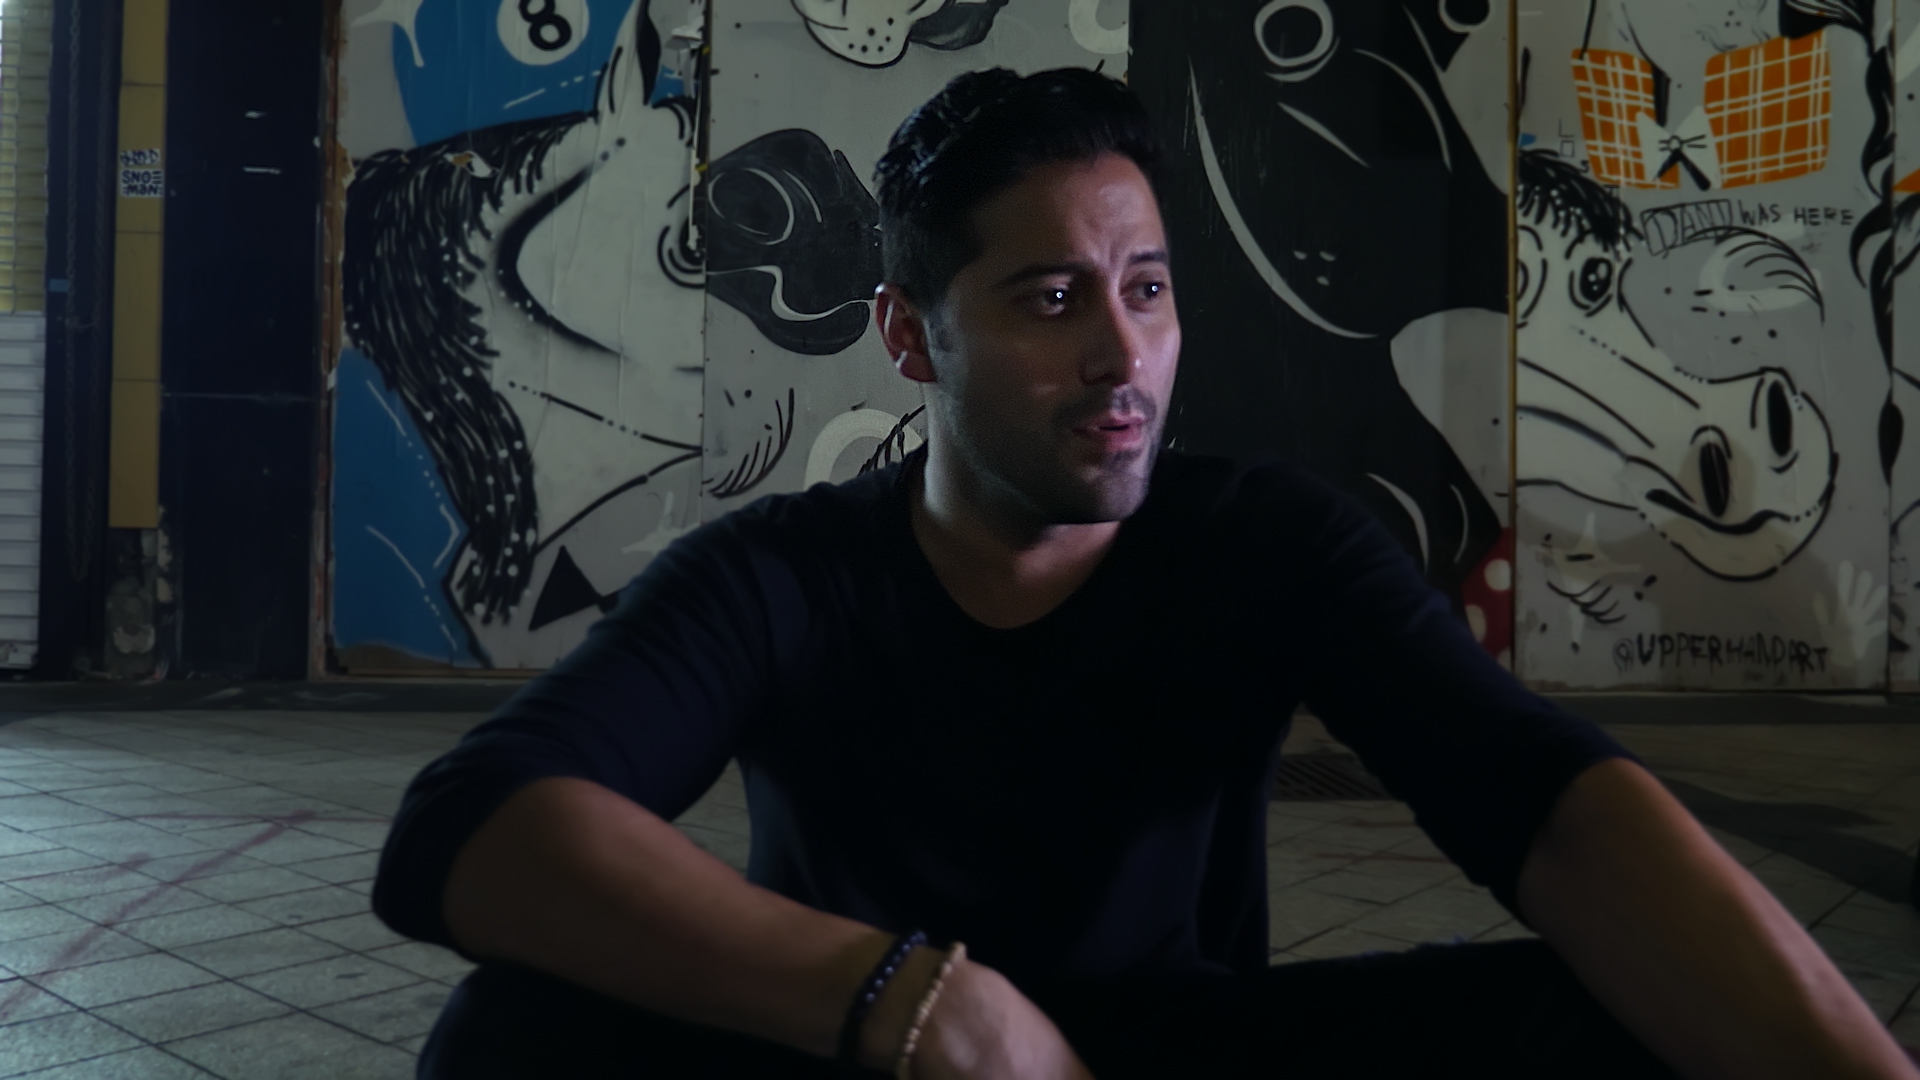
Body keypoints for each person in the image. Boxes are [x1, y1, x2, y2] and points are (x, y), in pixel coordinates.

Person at [372, 68, 1917, 1080]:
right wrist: (914, 1001)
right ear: (913, 336)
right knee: (513, 1033)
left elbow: (1547, 801)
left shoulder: (1267, 539)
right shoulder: (783, 576)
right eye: (1052, 298)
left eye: (1149, 288)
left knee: (1629, 1011)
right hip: (874, 1056)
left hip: (1183, 1052)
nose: (1125, 355)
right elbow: (473, 829)